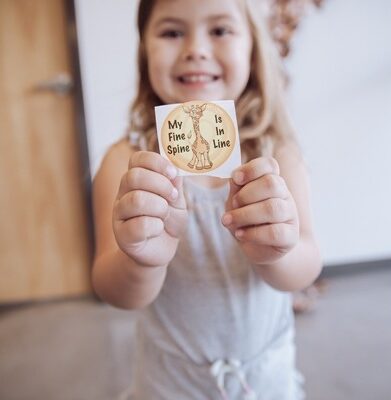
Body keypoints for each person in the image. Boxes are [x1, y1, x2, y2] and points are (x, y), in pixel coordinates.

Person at [91, 0, 322, 398]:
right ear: (144, 49)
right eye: (172, 32)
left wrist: (277, 253)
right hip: (168, 386)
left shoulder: (277, 153)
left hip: (266, 382)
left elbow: (307, 264)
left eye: (219, 30)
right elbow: (112, 289)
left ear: (252, 47)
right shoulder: (126, 163)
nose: (195, 48)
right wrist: (142, 260)